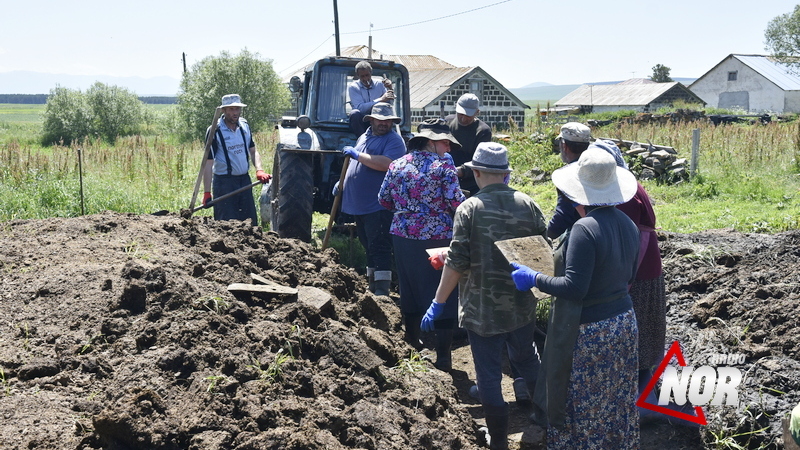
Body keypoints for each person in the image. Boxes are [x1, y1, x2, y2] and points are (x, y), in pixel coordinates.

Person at [511, 147, 640, 449]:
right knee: (615, 398)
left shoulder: (584, 228)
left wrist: (534, 278)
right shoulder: (627, 224)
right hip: (623, 323)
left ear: (577, 192)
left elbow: (574, 288)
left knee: (583, 401)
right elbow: (629, 276)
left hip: (591, 331)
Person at [420, 142, 547, 450]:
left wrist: (437, 304)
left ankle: (500, 441)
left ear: (476, 173)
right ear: (505, 174)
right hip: (521, 303)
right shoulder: (527, 203)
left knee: (488, 374)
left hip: (483, 308)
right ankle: (544, 421)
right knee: (527, 357)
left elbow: (457, 262)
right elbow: (542, 250)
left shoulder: (469, 208)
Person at [550, 122, 667, 405]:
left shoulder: (617, 200)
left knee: (639, 335)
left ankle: (640, 399)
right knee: (644, 333)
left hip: (636, 272)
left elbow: (611, 243)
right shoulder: (631, 188)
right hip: (644, 265)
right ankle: (642, 395)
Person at [378, 118, 466, 369]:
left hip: (403, 234)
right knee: (444, 290)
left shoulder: (396, 165)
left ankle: (412, 342)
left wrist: (409, 209)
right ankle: (444, 356)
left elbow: (383, 199)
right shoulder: (443, 167)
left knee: (410, 286)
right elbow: (456, 203)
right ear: (432, 142)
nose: (448, 149)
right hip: (437, 236)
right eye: (446, 144)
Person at [340, 102, 406, 296]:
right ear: (371, 120)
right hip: (360, 205)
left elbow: (388, 163)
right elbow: (355, 166)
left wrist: (357, 155)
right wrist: (342, 183)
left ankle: (382, 291)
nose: (384, 124)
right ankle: (371, 284)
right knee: (368, 245)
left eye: (388, 121)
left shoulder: (394, 141)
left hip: (377, 205)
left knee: (380, 247)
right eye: (380, 119)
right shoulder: (364, 136)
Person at [203, 94, 271, 226]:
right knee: (226, 226)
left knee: (250, 223)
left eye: (237, 109)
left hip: (244, 181)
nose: (235, 113)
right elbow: (208, 163)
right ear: (224, 110)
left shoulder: (244, 126)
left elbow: (253, 150)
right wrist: (207, 192)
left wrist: (259, 169)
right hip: (224, 184)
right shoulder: (214, 131)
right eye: (231, 109)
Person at [444, 93, 492, 197]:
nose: (463, 119)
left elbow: (481, 161)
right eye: (461, 114)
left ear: (477, 112)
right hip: (445, 181)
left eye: (468, 115)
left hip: (471, 184)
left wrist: (460, 171)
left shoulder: (482, 131)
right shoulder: (447, 123)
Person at [348, 61, 395, 137]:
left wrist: (390, 89)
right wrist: (381, 99)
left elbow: (389, 104)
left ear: (371, 73)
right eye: (362, 76)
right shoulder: (353, 87)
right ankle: (362, 140)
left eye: (367, 75)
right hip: (361, 122)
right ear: (358, 75)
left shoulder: (381, 84)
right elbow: (360, 108)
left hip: (378, 119)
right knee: (355, 113)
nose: (365, 78)